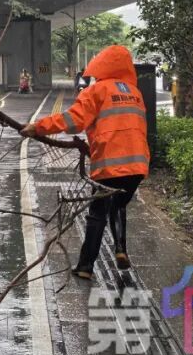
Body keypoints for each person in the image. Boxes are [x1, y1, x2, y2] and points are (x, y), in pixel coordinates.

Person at [21, 45, 149, 278]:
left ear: (102, 67)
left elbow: (73, 121)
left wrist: (38, 127)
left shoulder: (97, 91)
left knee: (97, 213)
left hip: (110, 165)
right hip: (138, 165)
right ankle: (120, 249)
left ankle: (85, 267)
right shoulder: (135, 93)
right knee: (119, 204)